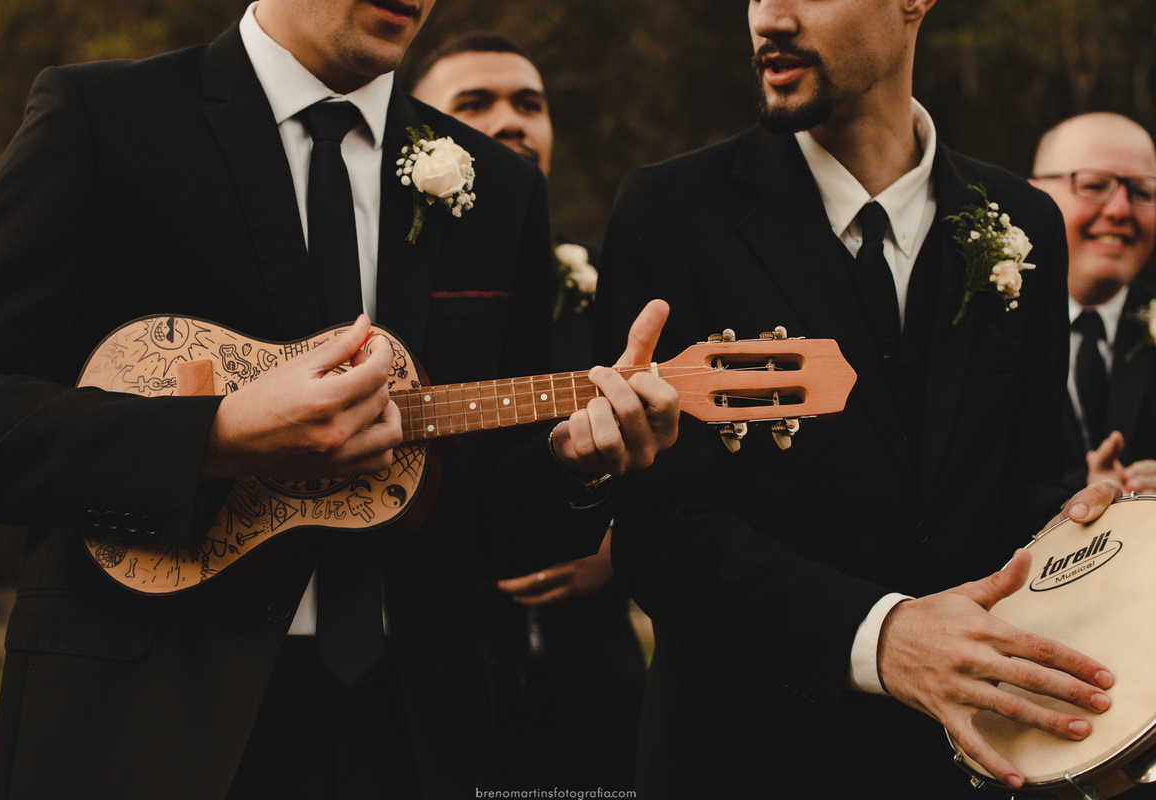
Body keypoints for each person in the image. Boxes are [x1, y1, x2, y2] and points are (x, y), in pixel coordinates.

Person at [0, 1, 680, 798]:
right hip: (144, 719)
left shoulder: (499, 187)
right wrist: (216, 436)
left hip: (417, 738)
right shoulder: (102, 119)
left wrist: (571, 465)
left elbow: (490, 518)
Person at [594, 1, 1121, 797]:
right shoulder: (670, 212)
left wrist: (1107, 525)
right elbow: (660, 536)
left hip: (974, 765)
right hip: (746, 762)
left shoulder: (1027, 222)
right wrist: (881, 637)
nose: (768, 17)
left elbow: (1023, 486)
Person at [411, 33, 644, 790]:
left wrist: (613, 544)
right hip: (438, 685)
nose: (511, 122)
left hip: (595, 689)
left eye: (529, 104)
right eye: (474, 104)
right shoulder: (397, 299)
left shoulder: (608, 288)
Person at [1030, 114, 1156, 495]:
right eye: (1094, 185)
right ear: (1033, 194)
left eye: (1143, 192)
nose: (1120, 210)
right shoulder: (985, 333)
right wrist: (1080, 491)